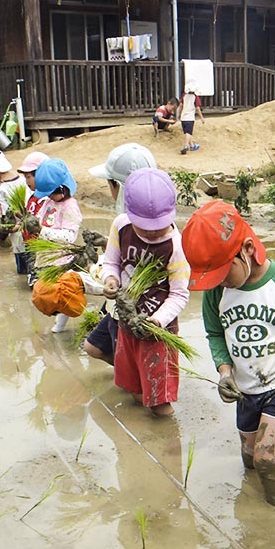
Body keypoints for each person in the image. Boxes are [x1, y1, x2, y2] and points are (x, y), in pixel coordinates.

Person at [182, 200, 275, 505]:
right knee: (248, 457)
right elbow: (215, 333)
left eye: (222, 272)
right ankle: (252, 514)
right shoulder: (216, 292)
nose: (218, 282)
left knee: (266, 459)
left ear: (246, 249)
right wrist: (224, 372)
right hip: (246, 389)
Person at [101, 168, 189, 417]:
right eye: (144, 227)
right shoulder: (121, 227)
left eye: (158, 227)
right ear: (129, 213)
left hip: (158, 330)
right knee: (136, 390)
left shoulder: (175, 245)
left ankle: (167, 447)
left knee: (160, 403)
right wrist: (110, 280)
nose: (151, 232)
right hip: (126, 323)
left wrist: (157, 321)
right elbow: (111, 263)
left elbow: (180, 294)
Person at [83, 143, 158, 364]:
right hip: (115, 307)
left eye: (109, 184)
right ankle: (127, 375)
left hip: (130, 310)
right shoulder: (129, 220)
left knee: (130, 365)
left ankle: (132, 380)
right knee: (92, 346)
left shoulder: (142, 225)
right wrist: (108, 245)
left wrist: (101, 275)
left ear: (117, 186)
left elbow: (140, 263)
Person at [26, 159, 83, 327]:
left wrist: (42, 230)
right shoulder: (49, 202)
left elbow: (69, 237)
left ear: (63, 189)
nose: (49, 197)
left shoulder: (70, 207)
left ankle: (61, 325)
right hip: (46, 257)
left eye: (51, 193)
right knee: (48, 295)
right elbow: (40, 220)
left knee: (60, 295)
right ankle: (58, 325)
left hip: (61, 260)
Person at [177, 85, 204, 155]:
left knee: (187, 132)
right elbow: (197, 108)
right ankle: (186, 145)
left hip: (183, 117)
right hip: (190, 118)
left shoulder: (184, 96)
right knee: (189, 132)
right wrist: (201, 117)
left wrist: (179, 115)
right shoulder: (195, 97)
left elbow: (180, 106)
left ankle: (192, 145)